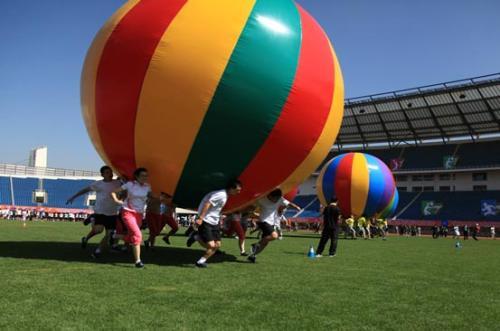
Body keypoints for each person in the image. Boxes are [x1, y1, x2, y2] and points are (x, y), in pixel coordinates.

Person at [66, 165, 121, 257]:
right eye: (107, 172)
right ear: (102, 175)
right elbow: (85, 190)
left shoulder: (118, 183)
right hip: (100, 212)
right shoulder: (98, 184)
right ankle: (86, 238)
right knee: (98, 230)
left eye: (111, 172)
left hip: (112, 213)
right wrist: (74, 196)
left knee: (109, 234)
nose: (110, 174)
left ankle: (98, 251)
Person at [186, 180, 243, 268]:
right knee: (211, 245)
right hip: (206, 220)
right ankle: (196, 237)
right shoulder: (221, 194)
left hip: (214, 222)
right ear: (231, 188)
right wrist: (200, 218)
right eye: (238, 190)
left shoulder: (226, 195)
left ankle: (200, 261)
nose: (239, 192)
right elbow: (207, 204)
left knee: (217, 245)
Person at [110, 167, 154, 268]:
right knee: (138, 235)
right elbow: (113, 192)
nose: (145, 177)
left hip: (139, 214)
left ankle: (115, 236)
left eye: (146, 176)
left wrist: (161, 198)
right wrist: (117, 201)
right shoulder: (130, 184)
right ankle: (138, 261)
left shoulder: (147, 186)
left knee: (133, 237)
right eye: (142, 175)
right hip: (127, 212)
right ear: (137, 176)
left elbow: (151, 196)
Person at [248, 189, 301, 263]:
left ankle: (252, 256)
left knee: (265, 243)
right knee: (274, 236)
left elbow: (288, 203)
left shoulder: (280, 199)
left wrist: (296, 207)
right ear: (270, 196)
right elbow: (252, 204)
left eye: (278, 198)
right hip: (263, 221)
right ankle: (256, 245)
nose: (276, 200)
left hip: (271, 222)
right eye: (275, 198)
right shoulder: (262, 200)